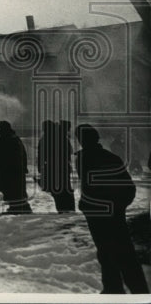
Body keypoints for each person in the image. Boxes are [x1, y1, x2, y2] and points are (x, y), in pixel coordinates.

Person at [75, 124, 148, 295]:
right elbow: (128, 189)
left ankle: (117, 290)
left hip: (100, 214)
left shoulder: (85, 158)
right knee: (121, 253)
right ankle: (132, 291)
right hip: (110, 212)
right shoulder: (110, 158)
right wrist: (118, 206)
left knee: (110, 253)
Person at [0, 121, 32, 214]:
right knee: (18, 190)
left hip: (8, 170)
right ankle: (22, 207)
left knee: (10, 190)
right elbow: (23, 154)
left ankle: (15, 208)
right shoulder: (15, 138)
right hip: (17, 170)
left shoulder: (3, 140)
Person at [38, 120, 76, 212]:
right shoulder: (62, 138)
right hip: (63, 167)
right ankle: (69, 208)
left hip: (51, 168)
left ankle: (62, 208)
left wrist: (40, 167)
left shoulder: (45, 139)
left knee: (57, 191)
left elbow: (41, 156)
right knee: (65, 189)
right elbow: (69, 151)